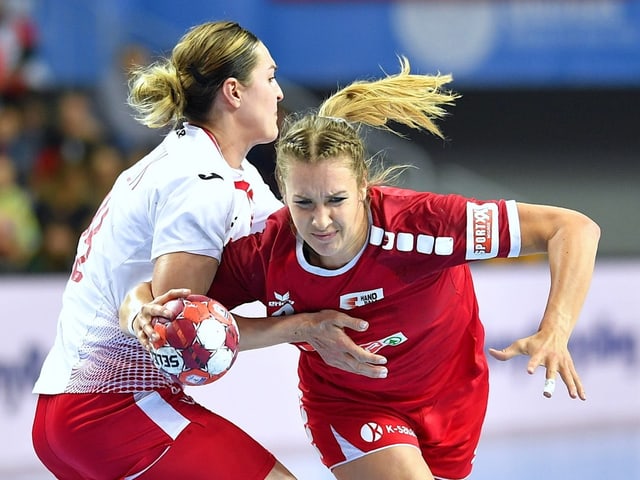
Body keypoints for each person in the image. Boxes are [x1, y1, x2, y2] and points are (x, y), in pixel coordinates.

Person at [125, 57, 601, 480]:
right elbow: (159, 301)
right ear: (283, 195)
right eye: (303, 203)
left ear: (364, 187)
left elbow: (574, 229)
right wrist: (143, 313)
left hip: (453, 398)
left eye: (336, 200)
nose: (320, 220)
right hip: (348, 406)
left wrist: (555, 329)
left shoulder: (425, 225)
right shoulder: (266, 252)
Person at [31, 20, 384, 480]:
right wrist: (305, 327)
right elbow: (178, 331)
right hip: (110, 408)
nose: (279, 94)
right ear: (234, 92)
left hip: (77, 410)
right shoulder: (200, 183)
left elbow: (300, 251)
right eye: (271, 78)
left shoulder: (219, 170)